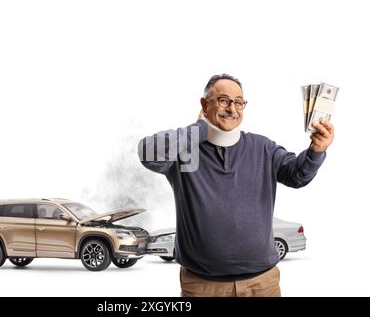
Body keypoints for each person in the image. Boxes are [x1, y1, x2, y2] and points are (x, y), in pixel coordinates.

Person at [137, 74, 334, 297]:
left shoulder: (262, 148)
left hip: (262, 284)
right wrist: (200, 129)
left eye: (239, 102)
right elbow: (147, 153)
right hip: (203, 286)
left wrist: (316, 151)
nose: (232, 108)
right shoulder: (186, 151)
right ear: (204, 104)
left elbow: (297, 175)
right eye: (223, 100)